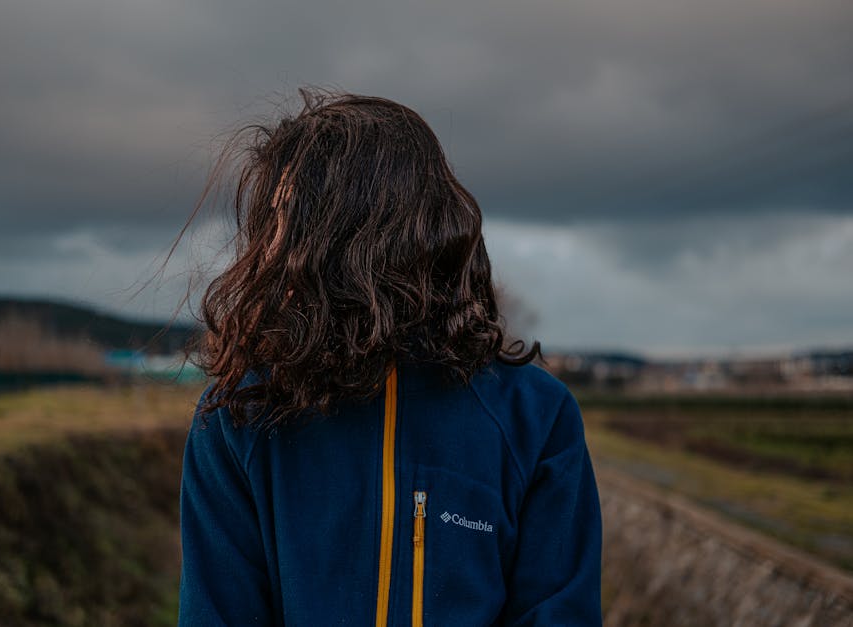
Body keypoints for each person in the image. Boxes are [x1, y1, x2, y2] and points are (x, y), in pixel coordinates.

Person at [177, 89, 602, 626]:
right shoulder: (239, 417)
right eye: (268, 222)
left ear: (364, 233)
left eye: (289, 219)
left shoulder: (536, 419)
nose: (267, 249)